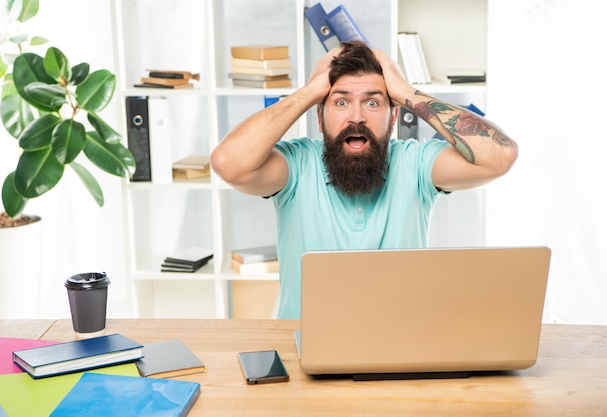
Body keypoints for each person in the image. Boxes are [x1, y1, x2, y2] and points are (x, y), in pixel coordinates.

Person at [210, 40, 518, 319]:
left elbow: (500, 156)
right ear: (319, 117)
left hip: (401, 354)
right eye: (340, 102)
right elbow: (228, 163)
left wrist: (406, 92)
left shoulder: (416, 163)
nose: (356, 117)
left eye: (373, 103)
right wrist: (309, 92)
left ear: (393, 117)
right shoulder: (297, 164)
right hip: (305, 352)